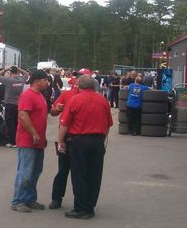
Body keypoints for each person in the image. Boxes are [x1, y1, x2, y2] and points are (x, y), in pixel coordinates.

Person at [57, 75, 113, 219]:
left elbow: (64, 123)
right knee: (94, 174)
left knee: (79, 174)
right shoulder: (103, 101)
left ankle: (80, 207)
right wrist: (102, 139)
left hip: (79, 141)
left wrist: (61, 141)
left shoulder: (75, 100)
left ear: (79, 86)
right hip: (97, 141)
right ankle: (90, 206)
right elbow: (108, 124)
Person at [11, 70, 50, 213]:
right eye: (45, 80)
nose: (47, 83)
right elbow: (22, 115)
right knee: (25, 172)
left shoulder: (40, 95)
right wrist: (33, 132)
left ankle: (30, 199)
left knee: (35, 171)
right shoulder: (27, 95)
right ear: (37, 81)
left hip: (38, 140)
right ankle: (18, 201)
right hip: (28, 140)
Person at [48, 74, 83, 210]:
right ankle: (56, 198)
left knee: (79, 172)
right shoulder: (67, 95)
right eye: (77, 80)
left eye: (82, 80)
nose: (79, 83)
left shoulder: (91, 96)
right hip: (65, 137)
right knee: (63, 170)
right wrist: (57, 109)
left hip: (81, 138)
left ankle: (80, 202)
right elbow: (53, 111)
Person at [0, 65, 29, 147]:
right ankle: (18, 141)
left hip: (9, 104)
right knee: (17, 123)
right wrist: (19, 68)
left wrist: (5, 69)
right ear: (17, 72)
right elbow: (27, 73)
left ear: (10, 73)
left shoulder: (8, 80)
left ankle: (12, 142)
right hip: (18, 105)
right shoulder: (21, 79)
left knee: (10, 123)